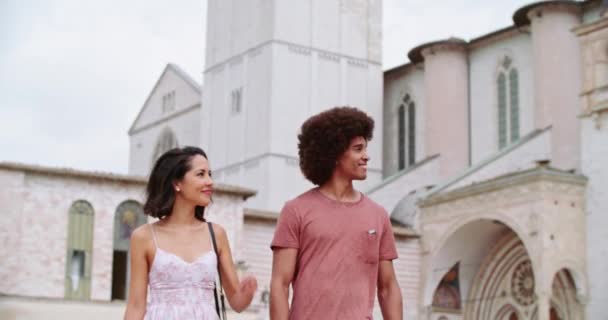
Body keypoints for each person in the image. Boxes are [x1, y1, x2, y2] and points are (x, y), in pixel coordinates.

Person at [269, 107, 403, 319]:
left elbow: (387, 287)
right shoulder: (296, 211)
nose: (366, 157)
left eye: (365, 149)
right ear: (334, 153)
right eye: (358, 149)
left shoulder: (378, 215)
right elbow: (280, 284)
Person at [124, 146, 258, 320]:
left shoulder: (216, 234)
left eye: (210, 174)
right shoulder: (143, 237)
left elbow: (236, 302)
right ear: (177, 183)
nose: (210, 181)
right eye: (201, 174)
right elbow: (136, 306)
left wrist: (247, 294)